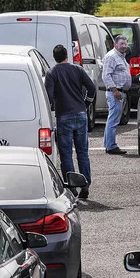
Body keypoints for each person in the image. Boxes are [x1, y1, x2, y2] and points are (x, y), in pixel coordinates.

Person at [45, 44, 97, 199]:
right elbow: (92, 88)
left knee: (66, 153)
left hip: (64, 116)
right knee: (82, 152)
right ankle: (85, 184)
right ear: (67, 55)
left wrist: (53, 106)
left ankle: (72, 186)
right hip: (80, 114)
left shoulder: (52, 73)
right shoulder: (78, 70)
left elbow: (48, 96)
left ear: (54, 57)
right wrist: (85, 104)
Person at [102, 35, 132, 155]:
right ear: (115, 44)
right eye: (121, 44)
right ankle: (111, 146)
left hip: (120, 93)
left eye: (125, 44)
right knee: (113, 120)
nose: (124, 46)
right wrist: (115, 90)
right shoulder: (112, 57)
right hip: (115, 93)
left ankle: (108, 144)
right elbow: (106, 75)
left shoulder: (121, 56)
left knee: (113, 119)